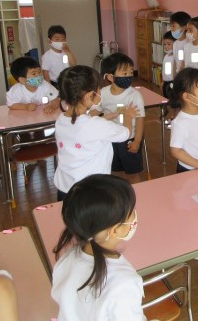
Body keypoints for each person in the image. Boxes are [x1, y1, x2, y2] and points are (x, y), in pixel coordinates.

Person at [51, 174, 147, 321]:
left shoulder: (68, 256)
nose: (135, 215)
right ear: (115, 230)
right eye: (131, 212)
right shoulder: (124, 283)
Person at [54, 65, 139, 200]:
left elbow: (88, 126)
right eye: (98, 90)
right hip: (91, 191)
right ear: (89, 95)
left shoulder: (61, 120)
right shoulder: (96, 125)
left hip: (65, 188)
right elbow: (125, 133)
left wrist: (110, 115)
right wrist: (127, 116)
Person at [95, 53, 146, 182]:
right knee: (116, 171)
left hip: (130, 138)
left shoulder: (134, 95)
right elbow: (95, 111)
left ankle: (136, 193)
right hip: (110, 138)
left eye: (130, 72)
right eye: (124, 73)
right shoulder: (104, 93)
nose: (129, 76)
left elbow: (140, 120)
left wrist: (137, 142)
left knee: (133, 172)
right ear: (111, 77)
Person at [161, 31, 176, 126]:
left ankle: (174, 118)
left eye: (169, 44)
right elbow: (164, 71)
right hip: (166, 82)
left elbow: (175, 71)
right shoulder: (166, 56)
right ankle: (170, 117)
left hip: (172, 83)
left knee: (173, 103)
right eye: (164, 44)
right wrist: (162, 82)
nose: (166, 47)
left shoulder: (175, 57)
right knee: (167, 102)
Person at [169, 11, 191, 76]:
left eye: (173, 26)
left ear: (184, 27)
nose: (172, 29)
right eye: (171, 26)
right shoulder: (175, 43)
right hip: (178, 76)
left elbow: (185, 64)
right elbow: (175, 62)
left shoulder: (188, 43)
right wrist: (174, 76)